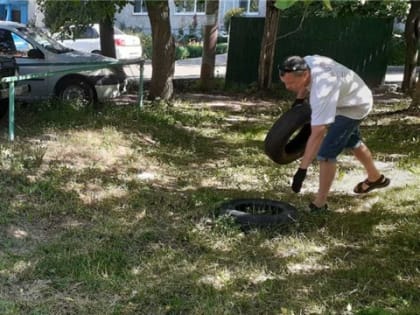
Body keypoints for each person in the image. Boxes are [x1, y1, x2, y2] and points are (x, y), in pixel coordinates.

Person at [279, 55, 390, 212]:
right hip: (343, 97)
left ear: (305, 75)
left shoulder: (322, 90)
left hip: (354, 106)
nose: (287, 87)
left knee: (326, 153)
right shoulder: (306, 62)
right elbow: (304, 84)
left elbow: (318, 132)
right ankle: (375, 178)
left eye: (290, 83)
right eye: (285, 82)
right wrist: (298, 102)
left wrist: (302, 169)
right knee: (351, 141)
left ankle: (320, 204)